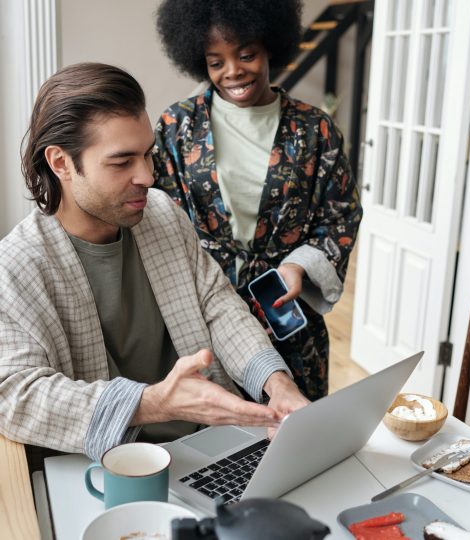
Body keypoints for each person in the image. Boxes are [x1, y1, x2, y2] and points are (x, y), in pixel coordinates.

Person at [0, 62, 308, 465]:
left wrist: (276, 383)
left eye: (147, 154)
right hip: (110, 467)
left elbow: (217, 307)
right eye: (122, 162)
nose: (146, 175)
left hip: (209, 446)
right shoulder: (17, 266)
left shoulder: (161, 213)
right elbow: (14, 393)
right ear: (60, 163)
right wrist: (154, 403)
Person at [153, 0, 363, 400]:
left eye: (246, 55)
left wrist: (299, 266)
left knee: (296, 433)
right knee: (217, 439)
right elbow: (158, 215)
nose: (232, 72)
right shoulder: (177, 126)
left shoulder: (315, 129)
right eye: (216, 62)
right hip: (206, 313)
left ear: (270, 46)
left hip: (286, 310)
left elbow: (341, 216)